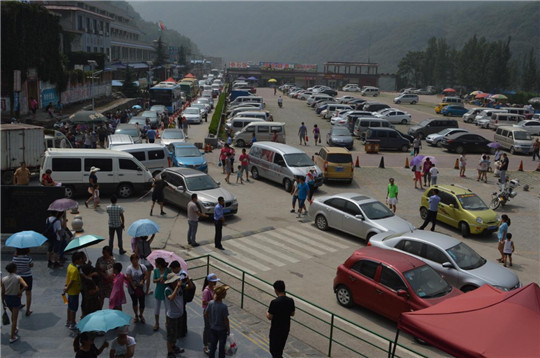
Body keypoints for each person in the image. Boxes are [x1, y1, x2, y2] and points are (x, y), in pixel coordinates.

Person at [164, 272, 193, 358]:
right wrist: (177, 287)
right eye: (175, 280)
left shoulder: (180, 287)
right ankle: (170, 352)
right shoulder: (167, 290)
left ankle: (174, 346)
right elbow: (171, 298)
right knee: (170, 335)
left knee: (176, 334)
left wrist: (188, 281)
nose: (177, 281)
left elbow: (190, 287)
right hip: (172, 316)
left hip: (179, 315)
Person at [266, 280, 295, 358]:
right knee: (280, 349)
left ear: (276, 290)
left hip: (276, 329)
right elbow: (292, 314)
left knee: (274, 350)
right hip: (285, 328)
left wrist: (267, 312)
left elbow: (270, 317)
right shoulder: (290, 300)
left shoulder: (274, 302)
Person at [1, 262, 28, 343]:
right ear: (15, 269)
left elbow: (2, 291)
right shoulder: (18, 277)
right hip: (15, 298)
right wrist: (20, 292)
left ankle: (15, 329)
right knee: (14, 319)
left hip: (7, 298)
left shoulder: (3, 279)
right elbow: (26, 286)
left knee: (13, 313)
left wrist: (3, 302)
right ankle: (12, 337)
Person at [205, 285, 230, 358]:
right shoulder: (224, 306)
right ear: (222, 295)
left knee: (213, 346)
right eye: (225, 292)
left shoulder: (211, 303)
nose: (226, 293)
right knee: (222, 348)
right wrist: (228, 329)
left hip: (213, 329)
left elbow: (206, 313)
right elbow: (226, 320)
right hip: (222, 330)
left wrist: (211, 322)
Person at [63, 251, 84, 330]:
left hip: (70, 292)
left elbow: (68, 277)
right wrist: (67, 288)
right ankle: (73, 322)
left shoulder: (70, 266)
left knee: (69, 306)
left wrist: (66, 287)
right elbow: (72, 281)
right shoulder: (75, 270)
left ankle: (68, 321)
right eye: (80, 259)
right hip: (74, 291)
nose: (81, 261)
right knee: (74, 308)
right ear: (76, 260)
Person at [202, 273, 220, 354]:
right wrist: (214, 301)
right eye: (213, 282)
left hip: (213, 312)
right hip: (208, 312)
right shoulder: (206, 291)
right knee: (207, 329)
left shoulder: (213, 289)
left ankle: (211, 343)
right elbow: (204, 302)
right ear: (209, 282)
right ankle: (206, 345)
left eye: (215, 281)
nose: (215, 283)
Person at [126, 254, 147, 324]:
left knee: (142, 303)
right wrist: (134, 286)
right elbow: (129, 278)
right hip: (133, 288)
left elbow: (146, 274)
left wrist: (142, 281)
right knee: (135, 302)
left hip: (141, 287)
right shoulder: (129, 268)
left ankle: (141, 314)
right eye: (133, 260)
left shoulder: (142, 267)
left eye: (136, 259)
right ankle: (136, 315)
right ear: (131, 261)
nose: (135, 261)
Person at [12, 248, 33, 316]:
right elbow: (31, 265)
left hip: (18, 277)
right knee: (28, 293)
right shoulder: (28, 258)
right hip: (27, 276)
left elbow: (13, 266)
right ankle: (28, 310)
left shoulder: (14, 258)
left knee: (19, 292)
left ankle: (19, 304)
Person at [152, 258, 170, 331]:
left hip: (166, 292)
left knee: (167, 309)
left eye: (156, 263)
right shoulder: (156, 271)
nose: (155, 264)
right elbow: (154, 280)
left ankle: (167, 321)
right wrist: (159, 279)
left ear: (160, 264)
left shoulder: (168, 270)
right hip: (158, 291)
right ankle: (157, 323)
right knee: (156, 309)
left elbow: (171, 280)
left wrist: (165, 280)